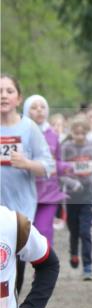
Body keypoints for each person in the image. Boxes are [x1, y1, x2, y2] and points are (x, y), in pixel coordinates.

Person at [0, 75, 55, 296]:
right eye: (0, 90)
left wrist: (27, 163)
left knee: (15, 263)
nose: (3, 95)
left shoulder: (29, 128)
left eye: (9, 91)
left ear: (19, 98)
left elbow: (48, 166)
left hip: (20, 208)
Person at [22, 95, 70, 248]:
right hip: (24, 193)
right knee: (24, 235)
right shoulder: (20, 133)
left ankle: (43, 270)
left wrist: (68, 167)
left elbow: (58, 161)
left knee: (44, 232)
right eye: (34, 107)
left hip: (48, 193)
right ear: (26, 111)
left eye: (42, 107)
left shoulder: (53, 135)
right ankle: (18, 270)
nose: (39, 111)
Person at [61, 115, 92, 280]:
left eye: (83, 133)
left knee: (85, 231)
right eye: (77, 133)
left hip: (88, 194)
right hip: (71, 196)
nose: (80, 136)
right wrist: (71, 183)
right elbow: (60, 172)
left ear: (87, 133)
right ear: (72, 133)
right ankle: (73, 253)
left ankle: (88, 266)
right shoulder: (66, 148)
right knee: (74, 229)